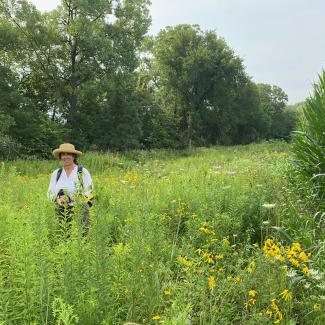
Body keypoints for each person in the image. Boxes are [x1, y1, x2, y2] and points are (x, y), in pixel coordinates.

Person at [47, 143, 93, 235]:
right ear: (60, 157)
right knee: (62, 238)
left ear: (74, 156)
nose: (65, 157)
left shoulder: (82, 172)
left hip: (80, 212)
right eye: (63, 154)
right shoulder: (56, 173)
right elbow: (49, 194)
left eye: (68, 154)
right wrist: (57, 199)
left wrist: (70, 198)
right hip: (61, 212)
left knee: (81, 239)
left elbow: (90, 195)